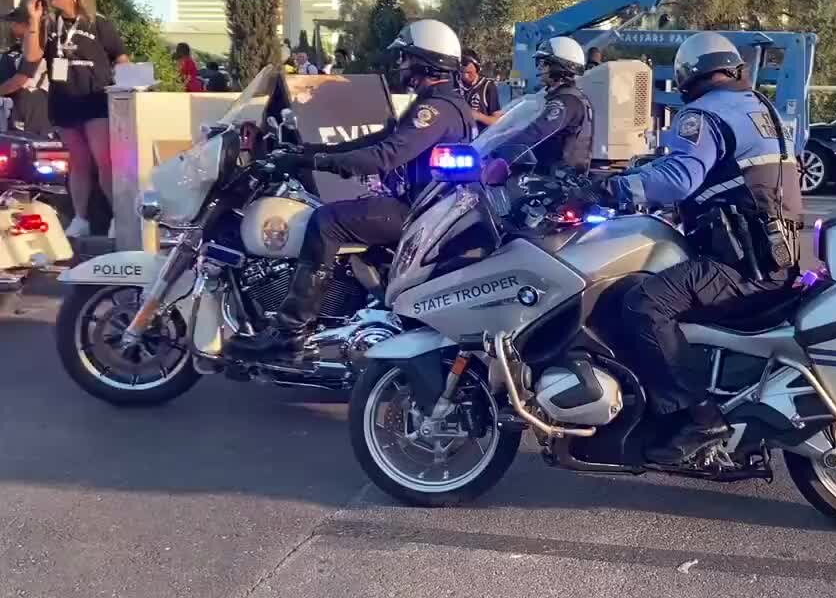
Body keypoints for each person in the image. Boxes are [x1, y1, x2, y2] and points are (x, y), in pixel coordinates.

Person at [605, 32, 801, 465]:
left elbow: (678, 179)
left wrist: (613, 186)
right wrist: (644, 170)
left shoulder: (703, 114)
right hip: (772, 256)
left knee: (642, 303)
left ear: (687, 76)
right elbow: (702, 171)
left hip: (740, 266)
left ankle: (697, 416)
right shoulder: (758, 109)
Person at [229, 19, 474, 360]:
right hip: (424, 207)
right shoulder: (438, 103)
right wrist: (310, 153)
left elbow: (385, 156)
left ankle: (289, 332)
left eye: (406, 57)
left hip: (416, 212)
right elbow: (378, 140)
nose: (401, 65)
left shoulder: (436, 110)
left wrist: (317, 163)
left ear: (425, 61)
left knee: (326, 221)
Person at [23, 0, 130, 238]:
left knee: (104, 161)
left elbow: (121, 57)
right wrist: (34, 20)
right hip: (64, 100)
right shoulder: (49, 24)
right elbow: (32, 57)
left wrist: (128, 84)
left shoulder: (98, 23)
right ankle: (81, 218)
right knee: (78, 163)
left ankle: (119, 217)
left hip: (94, 100)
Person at [505, 36, 595, 172]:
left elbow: (536, 131)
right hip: (555, 178)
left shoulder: (566, 101)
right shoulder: (567, 96)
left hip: (558, 182)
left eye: (544, 63)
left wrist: (499, 150)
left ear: (559, 66)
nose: (540, 68)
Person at [0, 5, 50, 135]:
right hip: (21, 100)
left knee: (32, 141)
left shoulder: (36, 47)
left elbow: (19, 80)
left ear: (25, 24)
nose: (11, 26)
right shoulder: (21, 47)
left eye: (14, 22)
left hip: (35, 99)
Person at [459, 48, 502, 129]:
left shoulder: (488, 87)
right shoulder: (455, 86)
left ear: (477, 69)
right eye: (461, 72)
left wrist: (478, 116)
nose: (465, 76)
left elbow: (497, 120)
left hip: (480, 138)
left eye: (469, 72)